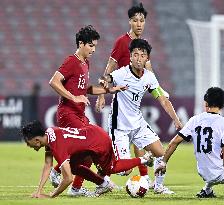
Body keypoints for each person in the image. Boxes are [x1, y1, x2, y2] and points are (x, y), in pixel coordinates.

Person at [48, 25, 126, 196]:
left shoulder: (85, 63)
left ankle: (75, 188)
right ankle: (58, 171)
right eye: (91, 45)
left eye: (95, 46)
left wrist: (108, 90)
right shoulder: (72, 61)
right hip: (68, 113)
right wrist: (74, 98)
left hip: (79, 114)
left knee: (89, 154)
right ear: (81, 43)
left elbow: (86, 89)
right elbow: (54, 81)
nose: (93, 49)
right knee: (90, 146)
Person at [95, 2, 167, 186]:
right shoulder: (121, 42)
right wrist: (102, 94)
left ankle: (148, 180)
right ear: (130, 22)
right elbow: (110, 67)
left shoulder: (143, 46)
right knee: (126, 144)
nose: (139, 24)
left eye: (142, 21)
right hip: (122, 96)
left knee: (140, 140)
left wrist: (159, 90)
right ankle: (105, 172)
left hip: (137, 97)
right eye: (135, 21)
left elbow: (149, 72)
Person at [98, 38, 182, 194]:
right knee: (124, 171)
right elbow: (106, 78)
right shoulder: (121, 74)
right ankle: (102, 169)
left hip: (138, 125)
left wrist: (176, 120)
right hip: (120, 128)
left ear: (147, 58)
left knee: (161, 154)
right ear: (130, 56)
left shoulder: (149, 77)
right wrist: (104, 85)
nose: (138, 58)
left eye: (142, 55)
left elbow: (163, 99)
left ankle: (158, 186)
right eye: (135, 54)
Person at [21, 120, 153, 198]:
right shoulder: (49, 133)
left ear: (37, 140)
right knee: (73, 166)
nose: (28, 146)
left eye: (28, 143)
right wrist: (39, 191)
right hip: (91, 134)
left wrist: (51, 195)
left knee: (111, 168)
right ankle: (103, 183)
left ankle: (143, 159)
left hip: (98, 141)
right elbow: (47, 165)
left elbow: (68, 179)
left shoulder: (57, 146)